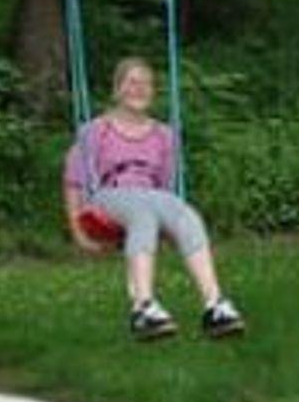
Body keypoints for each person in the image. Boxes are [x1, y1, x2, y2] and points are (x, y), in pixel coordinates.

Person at [63, 56, 244, 341]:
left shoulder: (165, 135)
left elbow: (166, 188)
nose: (139, 89)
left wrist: (170, 226)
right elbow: (74, 183)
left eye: (146, 84)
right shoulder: (96, 131)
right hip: (109, 196)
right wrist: (79, 233)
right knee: (143, 212)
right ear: (117, 89)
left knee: (186, 214)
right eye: (132, 82)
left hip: (151, 197)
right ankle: (143, 306)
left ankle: (214, 305)